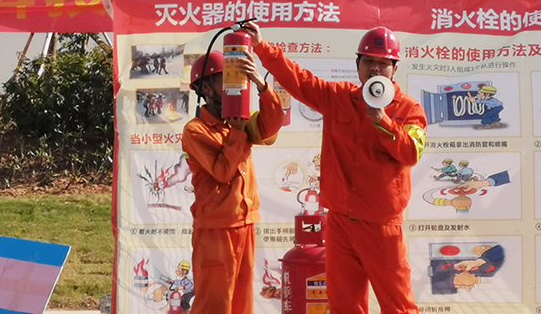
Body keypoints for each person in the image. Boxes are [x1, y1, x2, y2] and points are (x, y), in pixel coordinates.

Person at [242, 22, 427, 314]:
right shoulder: (339, 97)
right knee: (344, 305)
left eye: (383, 63)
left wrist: (383, 121)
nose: (375, 69)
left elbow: (411, 152)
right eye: (368, 61)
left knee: (398, 306)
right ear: (357, 64)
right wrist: (262, 48)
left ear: (395, 69)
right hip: (340, 222)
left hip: (381, 227)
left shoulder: (408, 109)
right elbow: (299, 81)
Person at [181, 49, 285, 314]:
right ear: (206, 88)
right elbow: (223, 172)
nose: (235, 87)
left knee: (240, 302)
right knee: (214, 304)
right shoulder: (196, 130)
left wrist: (261, 85)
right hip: (216, 230)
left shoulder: (236, 122)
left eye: (238, 80)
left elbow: (272, 124)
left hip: (244, 223)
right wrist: (237, 133)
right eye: (226, 80)